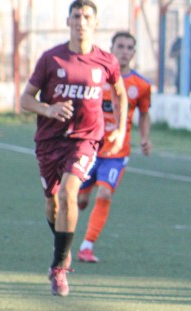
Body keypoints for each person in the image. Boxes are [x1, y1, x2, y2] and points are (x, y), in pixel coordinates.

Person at [19, 0, 126, 296]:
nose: (81, 21)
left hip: (85, 139)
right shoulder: (51, 59)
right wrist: (48, 109)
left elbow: (120, 93)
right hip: (49, 142)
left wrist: (120, 129)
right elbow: (25, 100)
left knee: (69, 193)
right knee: (52, 204)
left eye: (87, 16)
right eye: (76, 16)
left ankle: (59, 268)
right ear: (68, 21)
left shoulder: (105, 61)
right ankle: (62, 247)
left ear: (95, 23)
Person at [75, 31, 151, 264]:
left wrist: (145, 137)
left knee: (105, 192)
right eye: (121, 46)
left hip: (117, 151)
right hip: (90, 146)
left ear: (134, 53)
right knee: (79, 200)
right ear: (112, 48)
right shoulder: (96, 77)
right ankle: (82, 195)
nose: (125, 51)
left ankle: (87, 246)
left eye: (129, 47)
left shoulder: (141, 85)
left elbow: (145, 114)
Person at [169, 26, 191, 94]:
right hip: (181, 72)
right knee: (180, 92)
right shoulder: (179, 41)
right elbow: (171, 54)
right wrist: (181, 53)